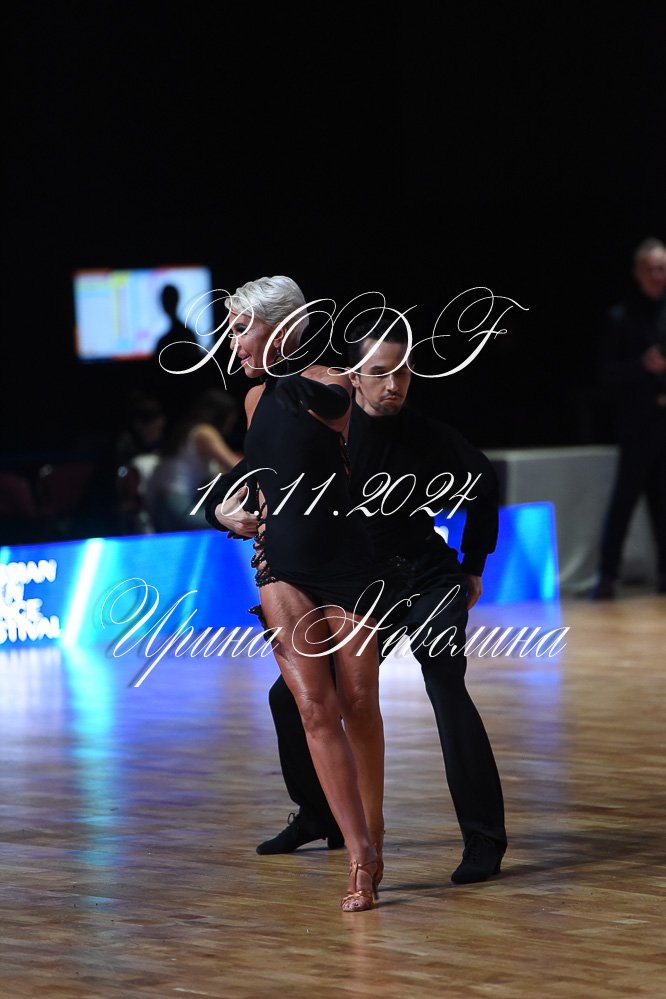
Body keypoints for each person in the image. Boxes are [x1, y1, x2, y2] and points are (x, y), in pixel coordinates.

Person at [211, 317, 507, 886]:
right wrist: (220, 511)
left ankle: (483, 839)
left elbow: (484, 483)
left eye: (403, 372)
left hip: (425, 577)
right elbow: (253, 471)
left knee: (444, 677)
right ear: (352, 376)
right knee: (289, 699)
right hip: (363, 584)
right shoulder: (324, 425)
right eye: (379, 372)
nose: (393, 385)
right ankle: (320, 815)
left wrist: (473, 564)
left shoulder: (429, 435)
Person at [207, 276, 385, 912]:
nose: (232, 345)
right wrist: (222, 510)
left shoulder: (333, 385)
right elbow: (253, 472)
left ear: (281, 328)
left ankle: (374, 831)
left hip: (348, 564)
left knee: (358, 704)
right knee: (314, 709)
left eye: (241, 329)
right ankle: (358, 851)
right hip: (281, 565)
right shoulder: (255, 398)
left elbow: (330, 410)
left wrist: (284, 358)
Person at [591, 237, 666, 599]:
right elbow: (604, 374)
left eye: (663, 269)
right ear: (638, 272)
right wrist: (642, 366)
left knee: (663, 503)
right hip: (637, 425)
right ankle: (607, 575)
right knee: (624, 501)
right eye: (652, 269)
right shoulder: (620, 318)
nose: (658, 276)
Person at [145, 388, 242, 532]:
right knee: (234, 519)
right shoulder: (204, 432)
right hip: (175, 502)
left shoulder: (189, 430)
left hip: (161, 502)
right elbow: (235, 466)